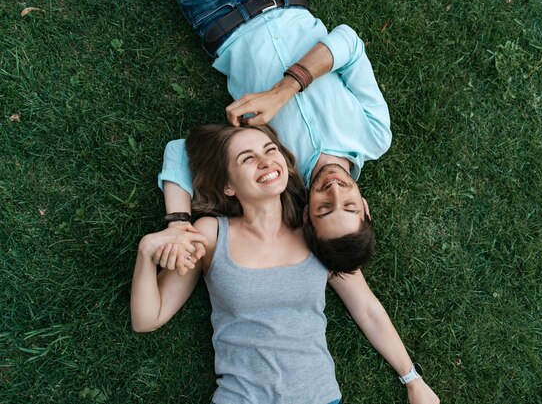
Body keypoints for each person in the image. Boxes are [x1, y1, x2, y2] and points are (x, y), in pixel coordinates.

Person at [131, 124, 439, 403]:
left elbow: (366, 308)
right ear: (228, 186)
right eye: (247, 159)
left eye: (270, 150)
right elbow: (147, 319)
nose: (265, 162)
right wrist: (149, 249)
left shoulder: (315, 231)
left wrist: (413, 380)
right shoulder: (211, 234)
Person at [159, 0, 392, 273]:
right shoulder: (375, 136)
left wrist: (179, 222)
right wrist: (284, 90)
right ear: (365, 206)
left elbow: (181, 152)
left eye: (325, 209)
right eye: (350, 206)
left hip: (219, 14)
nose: (335, 192)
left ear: (307, 215)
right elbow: (349, 42)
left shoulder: (273, 170)